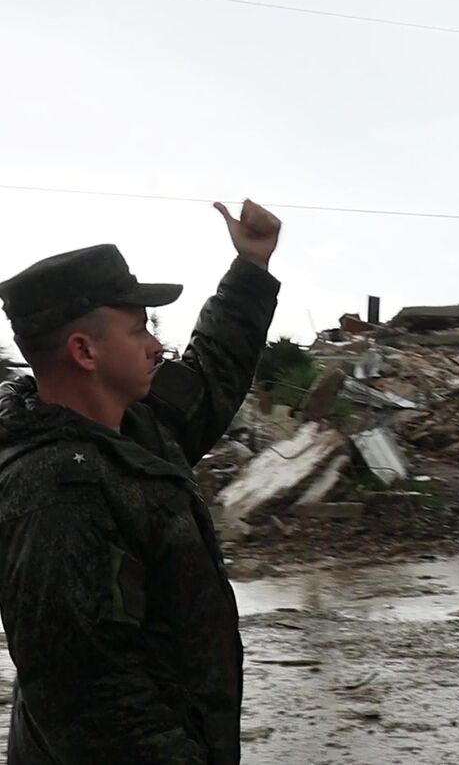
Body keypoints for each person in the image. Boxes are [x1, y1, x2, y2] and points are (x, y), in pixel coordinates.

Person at [0, 200, 282, 763]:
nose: (156, 345)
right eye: (139, 330)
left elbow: (211, 372)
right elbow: (95, 704)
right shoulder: (54, 494)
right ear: (85, 351)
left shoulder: (136, 426)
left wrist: (250, 266)